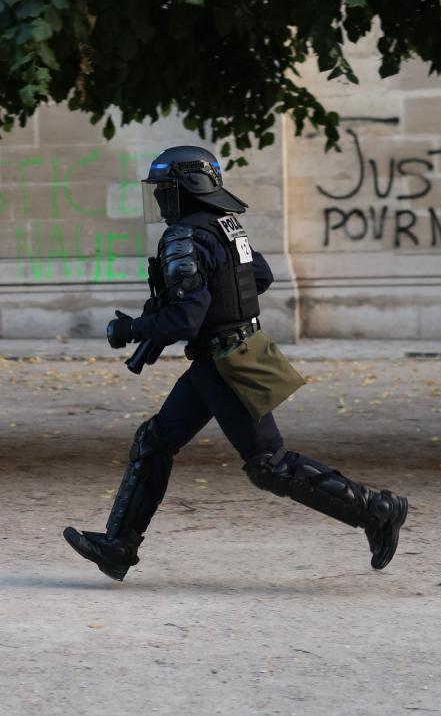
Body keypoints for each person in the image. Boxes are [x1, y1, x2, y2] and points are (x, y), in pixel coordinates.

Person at [63, 145, 408, 582]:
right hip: (225, 356)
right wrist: (221, 302)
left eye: (165, 190)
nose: (161, 201)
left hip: (224, 365)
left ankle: (377, 510)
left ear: (187, 188)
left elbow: (186, 319)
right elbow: (258, 275)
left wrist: (131, 329)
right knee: (155, 440)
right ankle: (118, 546)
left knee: (269, 465)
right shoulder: (227, 225)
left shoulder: (184, 236)